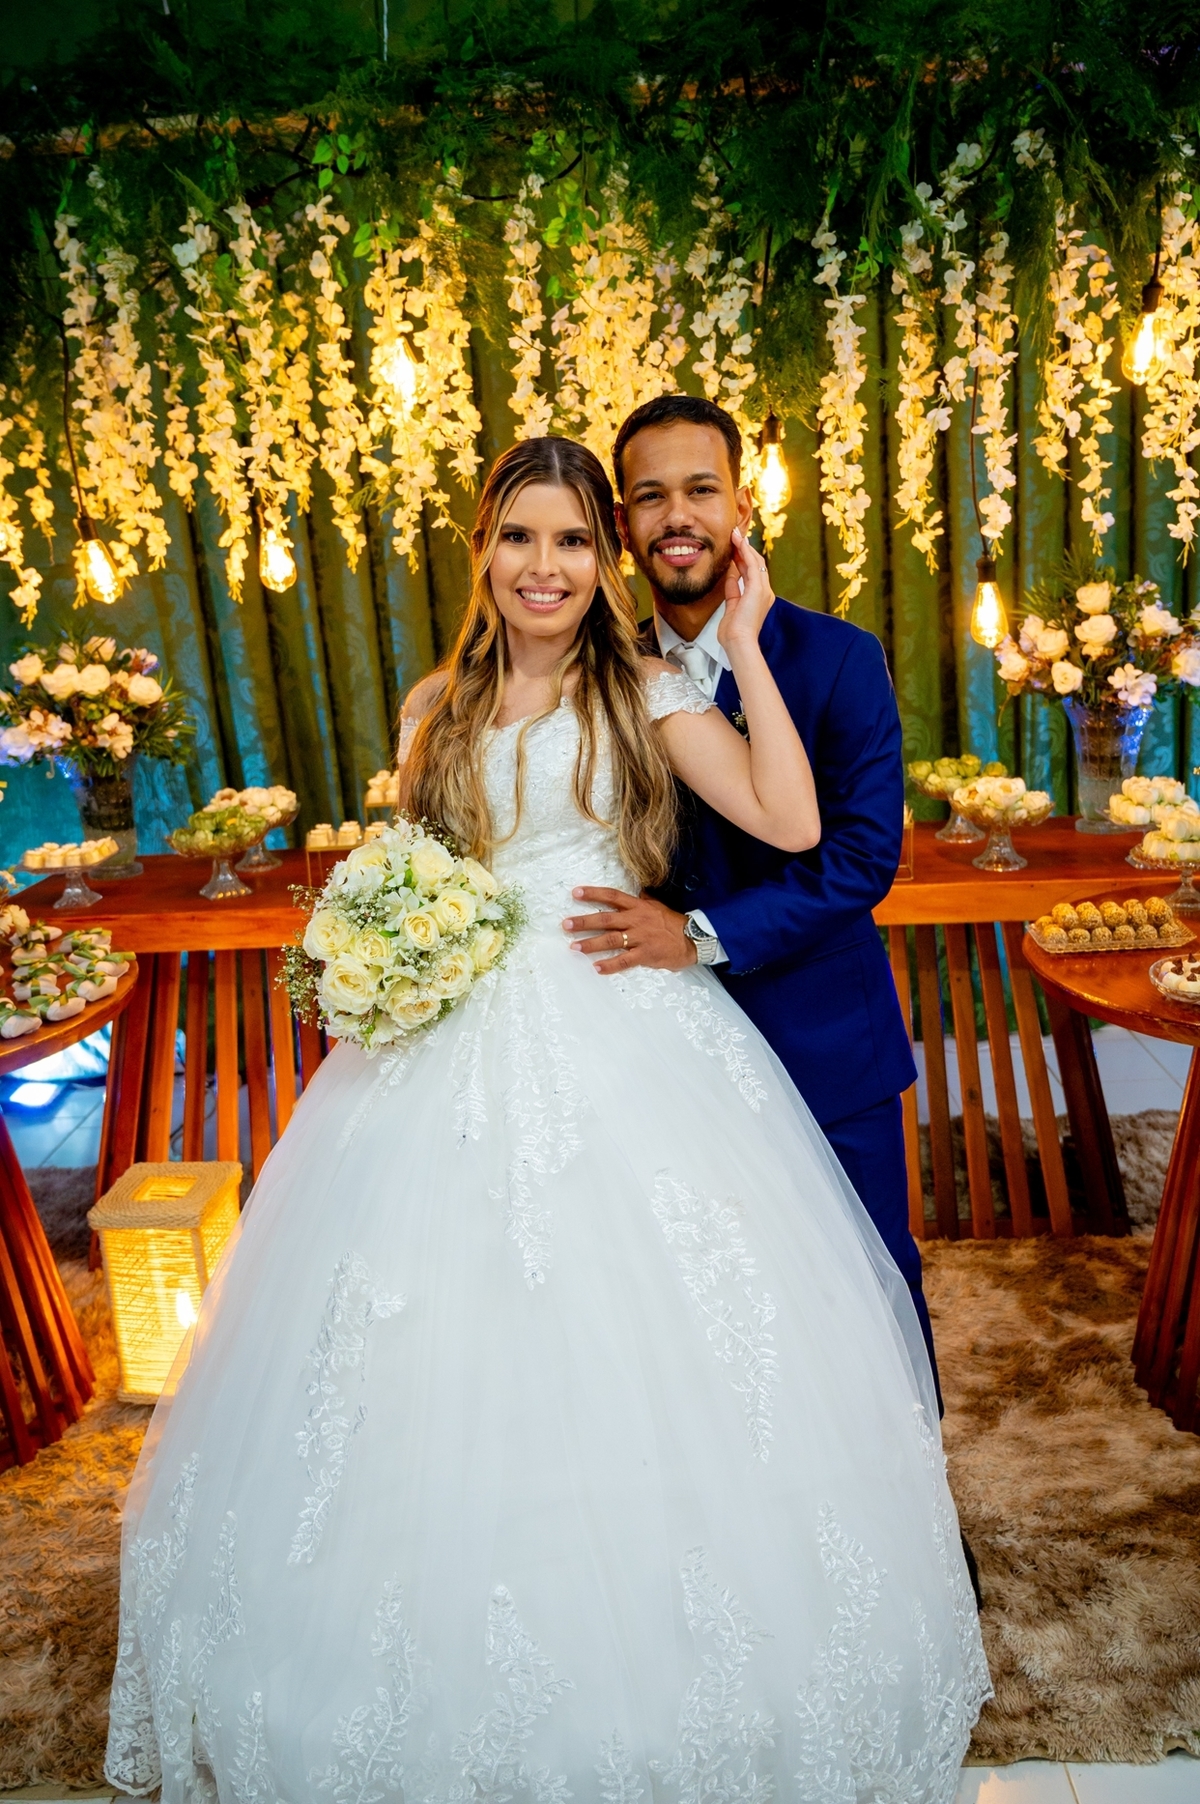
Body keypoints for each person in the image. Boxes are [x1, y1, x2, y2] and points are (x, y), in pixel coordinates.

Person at [105, 436, 987, 1804]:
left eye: (575, 541)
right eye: (522, 538)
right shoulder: (434, 705)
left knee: (657, 1335)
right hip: (447, 1042)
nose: (547, 566)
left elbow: (796, 821)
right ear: (485, 551)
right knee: (410, 1349)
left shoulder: (644, 686)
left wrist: (745, 645)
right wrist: (383, 945)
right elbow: (417, 863)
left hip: (619, 1024)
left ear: (604, 558)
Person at [563, 394, 937, 1391]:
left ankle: (920, 1527)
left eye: (700, 489)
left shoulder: (839, 657)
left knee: (867, 1282)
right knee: (709, 1300)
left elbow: (860, 860)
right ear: (621, 524)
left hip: (822, 1039)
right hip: (663, 1049)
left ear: (741, 505)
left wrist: (702, 933)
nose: (676, 514)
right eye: (649, 496)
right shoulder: (604, 674)